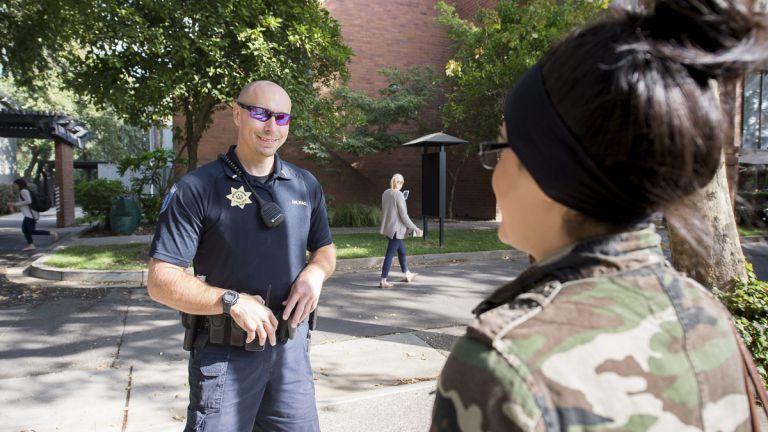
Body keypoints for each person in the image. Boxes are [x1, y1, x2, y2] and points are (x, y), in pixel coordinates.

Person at [431, 0, 768, 431]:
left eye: (501, 148)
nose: (494, 172)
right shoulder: (707, 316)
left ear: (549, 167)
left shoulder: (503, 365)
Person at [147, 80, 336, 432]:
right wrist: (231, 301)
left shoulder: (304, 185)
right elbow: (160, 280)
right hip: (225, 359)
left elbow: (325, 248)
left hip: (290, 355)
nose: (271, 126)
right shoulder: (198, 188)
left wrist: (315, 273)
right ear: (237, 114)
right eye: (261, 113)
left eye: (282, 118)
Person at [379, 173, 422, 289]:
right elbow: (404, 215)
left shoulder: (386, 193)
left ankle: (407, 273)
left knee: (402, 251)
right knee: (390, 254)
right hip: (396, 230)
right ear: (400, 183)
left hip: (388, 228)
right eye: (402, 183)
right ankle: (383, 280)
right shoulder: (399, 195)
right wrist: (415, 228)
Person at [7, 178, 57, 251]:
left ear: (19, 184)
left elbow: (29, 201)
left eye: (15, 185)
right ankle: (31, 245)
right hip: (29, 214)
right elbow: (25, 203)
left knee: (31, 231)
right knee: (25, 230)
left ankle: (51, 233)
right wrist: (14, 205)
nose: (14, 186)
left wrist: (14, 204)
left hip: (30, 215)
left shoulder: (24, 191)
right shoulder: (23, 191)